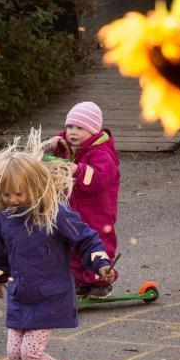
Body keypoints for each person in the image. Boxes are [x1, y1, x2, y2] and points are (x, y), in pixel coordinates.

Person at [0, 139, 115, 360]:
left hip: (51, 296)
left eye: (19, 193)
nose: (12, 200)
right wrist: (0, 276)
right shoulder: (2, 219)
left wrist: (100, 264)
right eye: (6, 194)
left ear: (37, 185)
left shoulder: (54, 214)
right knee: (16, 355)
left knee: (30, 354)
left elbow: (86, 238)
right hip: (21, 295)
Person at [50, 101, 120, 299]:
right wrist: (55, 145)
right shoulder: (70, 145)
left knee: (99, 242)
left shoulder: (102, 152)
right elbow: (59, 157)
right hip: (73, 207)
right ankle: (80, 281)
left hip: (98, 209)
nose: (73, 132)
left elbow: (101, 178)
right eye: (69, 127)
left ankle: (100, 281)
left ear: (93, 130)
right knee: (73, 242)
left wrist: (79, 170)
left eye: (80, 128)